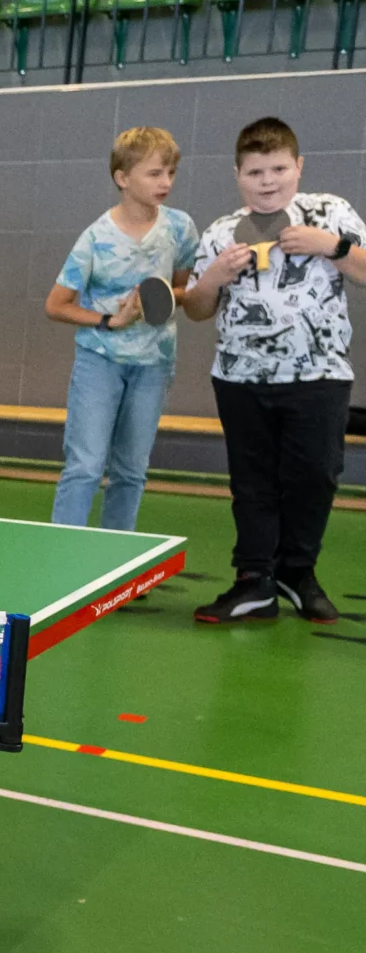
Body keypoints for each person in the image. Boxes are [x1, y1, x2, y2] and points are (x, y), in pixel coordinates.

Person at [177, 116, 360, 623]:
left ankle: (297, 573)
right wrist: (213, 278)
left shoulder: (331, 213)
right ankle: (254, 580)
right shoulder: (219, 233)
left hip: (319, 376)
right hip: (240, 379)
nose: (268, 181)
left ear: (298, 167)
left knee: (316, 475)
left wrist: (332, 247)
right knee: (252, 483)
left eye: (278, 169)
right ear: (238, 174)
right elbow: (197, 309)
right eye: (255, 172)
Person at [45, 127, 196, 532]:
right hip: (99, 361)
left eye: (170, 173)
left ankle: (117, 558)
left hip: (154, 364)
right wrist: (110, 320)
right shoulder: (96, 237)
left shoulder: (180, 228)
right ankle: (63, 554)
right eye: (155, 173)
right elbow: (56, 305)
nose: (166, 182)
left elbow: (184, 290)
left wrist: (162, 297)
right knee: (85, 466)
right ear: (123, 178)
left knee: (131, 470)